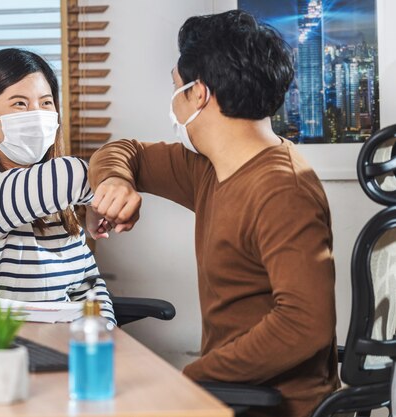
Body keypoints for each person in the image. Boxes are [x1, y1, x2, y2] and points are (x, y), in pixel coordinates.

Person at [88, 10, 338, 417]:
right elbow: (121, 151)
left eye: (176, 88)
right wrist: (115, 182)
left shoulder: (281, 189)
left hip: (273, 404)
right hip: (227, 393)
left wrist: (193, 377)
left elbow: (304, 324)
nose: (173, 101)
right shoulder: (208, 167)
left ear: (199, 93)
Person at [0, 48, 114, 323]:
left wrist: (101, 336)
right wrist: (99, 196)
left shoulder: (55, 196)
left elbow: (88, 286)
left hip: (64, 347)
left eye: (46, 103)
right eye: (19, 104)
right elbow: (71, 173)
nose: (37, 114)